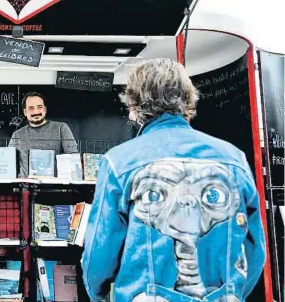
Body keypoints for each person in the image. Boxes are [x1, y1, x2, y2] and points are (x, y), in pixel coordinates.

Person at [81, 58, 266, 302]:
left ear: (135, 106)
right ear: (187, 100)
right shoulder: (234, 159)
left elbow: (99, 253)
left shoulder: (119, 162)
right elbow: (255, 250)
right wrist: (233, 291)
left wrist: (98, 295)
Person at [9, 91, 79, 177]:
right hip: (26, 188)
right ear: (25, 112)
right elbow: (10, 165)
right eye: (31, 108)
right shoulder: (17, 135)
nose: (36, 112)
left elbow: (73, 158)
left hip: (57, 187)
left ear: (45, 109)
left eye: (39, 107)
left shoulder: (61, 128)